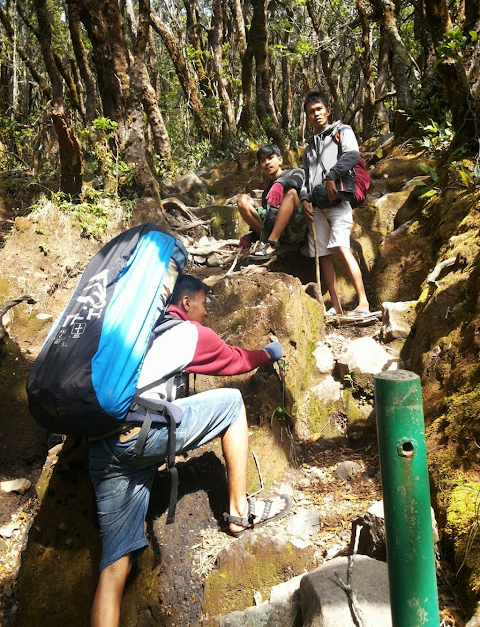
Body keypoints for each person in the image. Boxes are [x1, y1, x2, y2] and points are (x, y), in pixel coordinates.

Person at [88, 274, 291, 627]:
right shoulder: (188, 333)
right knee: (232, 402)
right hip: (142, 436)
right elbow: (236, 361)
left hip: (102, 444)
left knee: (115, 563)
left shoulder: (140, 333)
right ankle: (240, 512)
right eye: (203, 303)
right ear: (185, 303)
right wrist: (271, 352)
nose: (207, 311)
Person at [300, 91, 370, 316]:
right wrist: (303, 199)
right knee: (323, 255)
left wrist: (331, 176)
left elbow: (353, 155)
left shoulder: (342, 131)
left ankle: (363, 303)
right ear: (307, 117)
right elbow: (306, 176)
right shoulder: (309, 148)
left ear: (328, 111)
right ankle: (336, 306)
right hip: (317, 205)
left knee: (341, 246)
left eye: (319, 109)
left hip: (338, 201)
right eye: (311, 112)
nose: (316, 114)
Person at [237, 144, 306, 262]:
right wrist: (251, 236)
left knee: (291, 192)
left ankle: (272, 244)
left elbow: (297, 181)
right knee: (243, 200)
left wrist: (281, 184)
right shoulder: (266, 192)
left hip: (296, 229)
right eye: (263, 160)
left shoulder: (295, 172)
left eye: (270, 158)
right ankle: (264, 239)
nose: (267, 162)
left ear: (280, 159)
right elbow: (269, 217)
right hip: (279, 232)